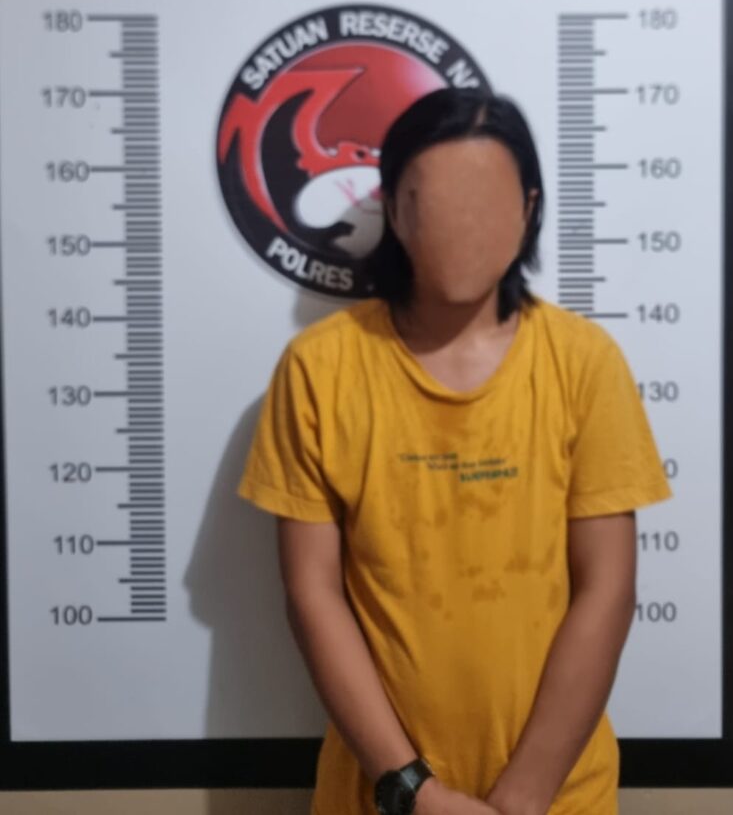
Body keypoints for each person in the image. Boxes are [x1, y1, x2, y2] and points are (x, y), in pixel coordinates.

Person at [237, 88, 672, 815]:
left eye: (486, 205)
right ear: (394, 210)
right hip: (378, 795)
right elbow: (312, 594)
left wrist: (525, 796)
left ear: (528, 208)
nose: (461, 229)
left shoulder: (585, 363)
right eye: (433, 204)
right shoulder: (319, 369)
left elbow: (608, 588)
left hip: (561, 794)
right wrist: (411, 790)